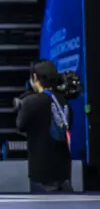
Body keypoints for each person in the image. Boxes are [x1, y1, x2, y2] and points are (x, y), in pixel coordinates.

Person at [17, 59, 73, 192]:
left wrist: (21, 106)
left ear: (35, 77)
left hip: (41, 174)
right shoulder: (65, 102)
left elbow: (20, 125)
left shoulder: (31, 102)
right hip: (64, 173)